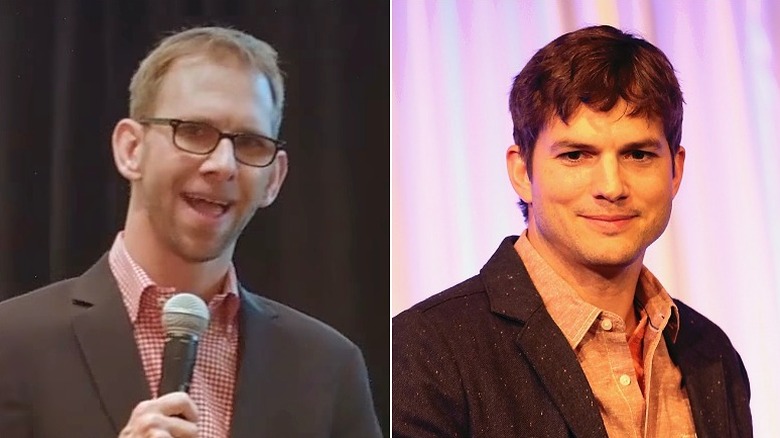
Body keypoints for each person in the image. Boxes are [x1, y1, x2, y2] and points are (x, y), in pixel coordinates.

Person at [0, 26, 381, 438]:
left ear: (274, 178)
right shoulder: (13, 344)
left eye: (250, 143)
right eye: (194, 131)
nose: (223, 165)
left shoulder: (328, 367)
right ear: (131, 149)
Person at [393, 25, 752, 437]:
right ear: (522, 172)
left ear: (675, 171)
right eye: (576, 155)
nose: (611, 187)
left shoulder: (712, 354)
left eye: (638, 154)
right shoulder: (424, 351)